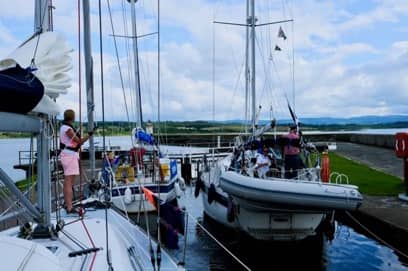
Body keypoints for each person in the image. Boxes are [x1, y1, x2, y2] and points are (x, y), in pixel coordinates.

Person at [60, 109, 93, 213]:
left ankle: (68, 204)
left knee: (68, 182)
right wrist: (89, 135)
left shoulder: (64, 127)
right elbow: (79, 141)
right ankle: (69, 207)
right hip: (70, 156)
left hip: (68, 155)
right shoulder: (67, 129)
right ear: (72, 117)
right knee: (69, 182)